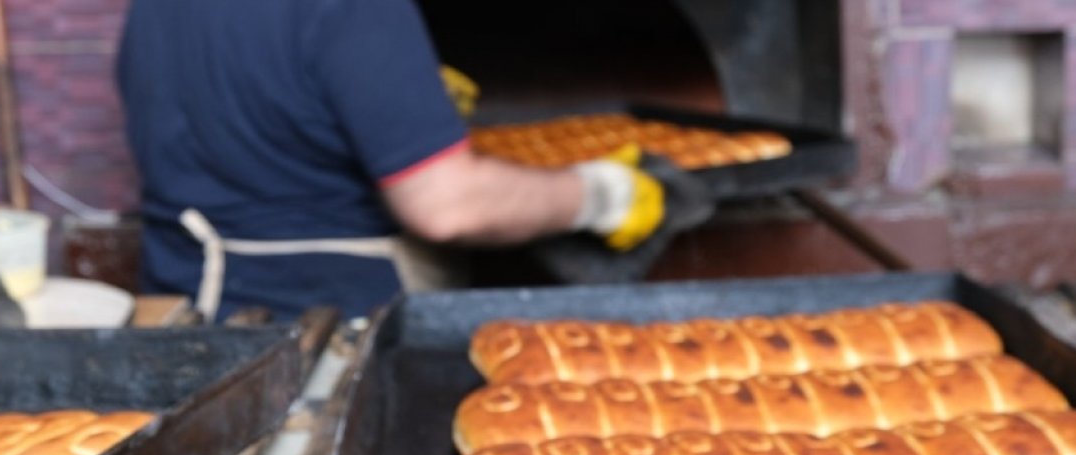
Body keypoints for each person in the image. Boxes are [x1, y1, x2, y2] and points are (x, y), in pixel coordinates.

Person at [116, 0, 665, 321]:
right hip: (321, 338)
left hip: (182, 321)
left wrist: (400, 102)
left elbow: (237, 111)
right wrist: (598, 195)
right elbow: (449, 205)